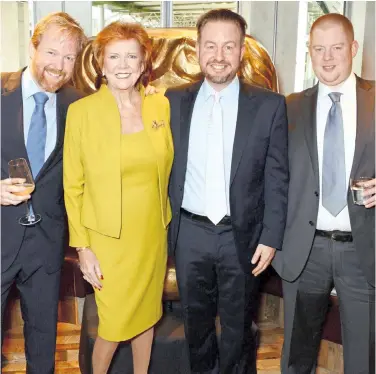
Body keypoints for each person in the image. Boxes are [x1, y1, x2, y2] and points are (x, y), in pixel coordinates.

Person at [165, 9, 289, 374]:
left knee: (238, 329)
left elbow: (277, 176)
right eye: (211, 45)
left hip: (244, 236)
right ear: (198, 48)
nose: (219, 55)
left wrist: (271, 236)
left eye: (229, 46)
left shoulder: (269, 106)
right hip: (189, 234)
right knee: (196, 327)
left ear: (241, 52)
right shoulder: (172, 101)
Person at [63, 21, 173, 374]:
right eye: (114, 56)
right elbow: (73, 186)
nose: (123, 64)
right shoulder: (82, 113)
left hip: (152, 234)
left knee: (147, 315)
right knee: (112, 325)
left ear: (144, 63)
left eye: (131, 56)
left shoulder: (160, 107)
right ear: (101, 63)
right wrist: (83, 248)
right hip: (107, 241)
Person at [273, 13, 375, 374]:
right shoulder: (289, 107)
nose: (328, 57)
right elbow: (272, 179)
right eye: (319, 49)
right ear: (309, 52)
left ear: (354, 48)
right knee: (297, 357)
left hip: (364, 253)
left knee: (364, 359)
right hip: (304, 250)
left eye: (336, 48)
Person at [0, 12, 86, 373]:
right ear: (33, 46)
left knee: (42, 338)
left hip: (48, 241)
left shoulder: (77, 106)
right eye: (52, 53)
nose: (59, 66)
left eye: (69, 58)